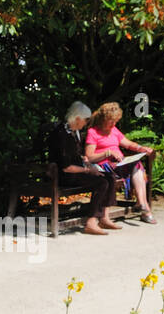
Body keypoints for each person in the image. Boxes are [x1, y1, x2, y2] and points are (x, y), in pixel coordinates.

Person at [48, 101, 120, 236]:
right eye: (85, 120)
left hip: (75, 171)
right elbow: (66, 167)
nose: (86, 123)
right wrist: (88, 170)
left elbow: (74, 155)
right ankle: (91, 222)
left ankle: (104, 218)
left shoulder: (74, 131)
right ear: (77, 119)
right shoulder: (61, 134)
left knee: (109, 177)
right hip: (63, 175)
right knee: (101, 182)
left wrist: (84, 160)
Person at [85, 102, 157, 223]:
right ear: (104, 119)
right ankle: (145, 208)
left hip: (119, 165)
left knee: (137, 164)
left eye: (115, 121)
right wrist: (107, 153)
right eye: (111, 121)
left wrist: (141, 148)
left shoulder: (114, 130)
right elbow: (90, 156)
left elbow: (128, 144)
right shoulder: (93, 132)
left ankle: (141, 203)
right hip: (104, 167)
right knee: (136, 166)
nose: (114, 124)